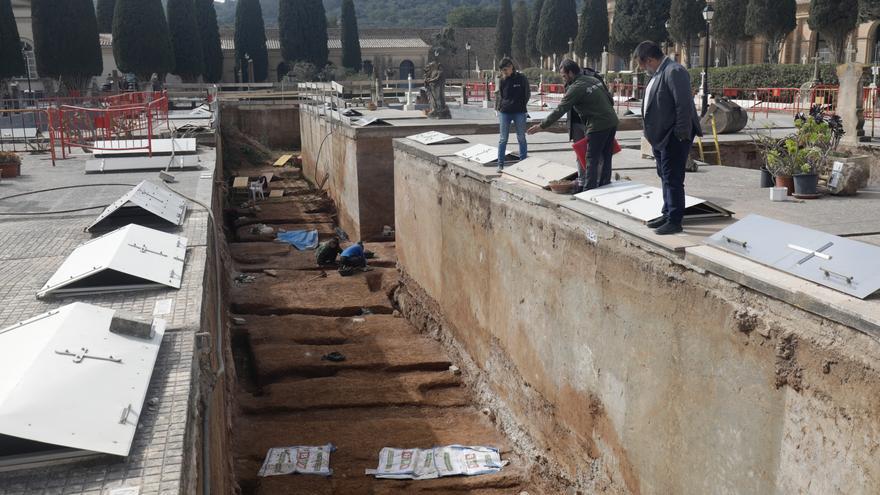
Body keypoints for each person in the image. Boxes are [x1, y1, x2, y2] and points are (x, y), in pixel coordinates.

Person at [635, 41, 702, 235]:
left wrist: (681, 133)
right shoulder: (658, 73)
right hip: (660, 136)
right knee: (664, 175)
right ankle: (667, 212)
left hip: (674, 135)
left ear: (650, 59)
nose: (643, 69)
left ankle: (675, 219)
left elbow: (683, 104)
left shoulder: (674, 71)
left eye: (643, 64)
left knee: (673, 177)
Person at [528, 59, 619, 192]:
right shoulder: (593, 80)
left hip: (598, 125)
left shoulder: (576, 88)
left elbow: (561, 109)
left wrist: (541, 126)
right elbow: (610, 99)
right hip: (612, 121)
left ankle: (589, 190)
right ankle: (605, 185)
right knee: (606, 155)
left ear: (570, 73)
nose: (564, 79)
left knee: (591, 158)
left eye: (564, 76)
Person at [495, 57, 530, 173]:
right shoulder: (502, 80)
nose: (504, 72)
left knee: (521, 137)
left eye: (505, 70)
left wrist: (521, 105)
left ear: (511, 67)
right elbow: (501, 95)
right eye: (502, 71)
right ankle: (500, 164)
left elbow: (527, 94)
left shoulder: (522, 78)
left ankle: (524, 162)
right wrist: (499, 108)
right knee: (503, 139)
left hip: (519, 111)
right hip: (505, 112)